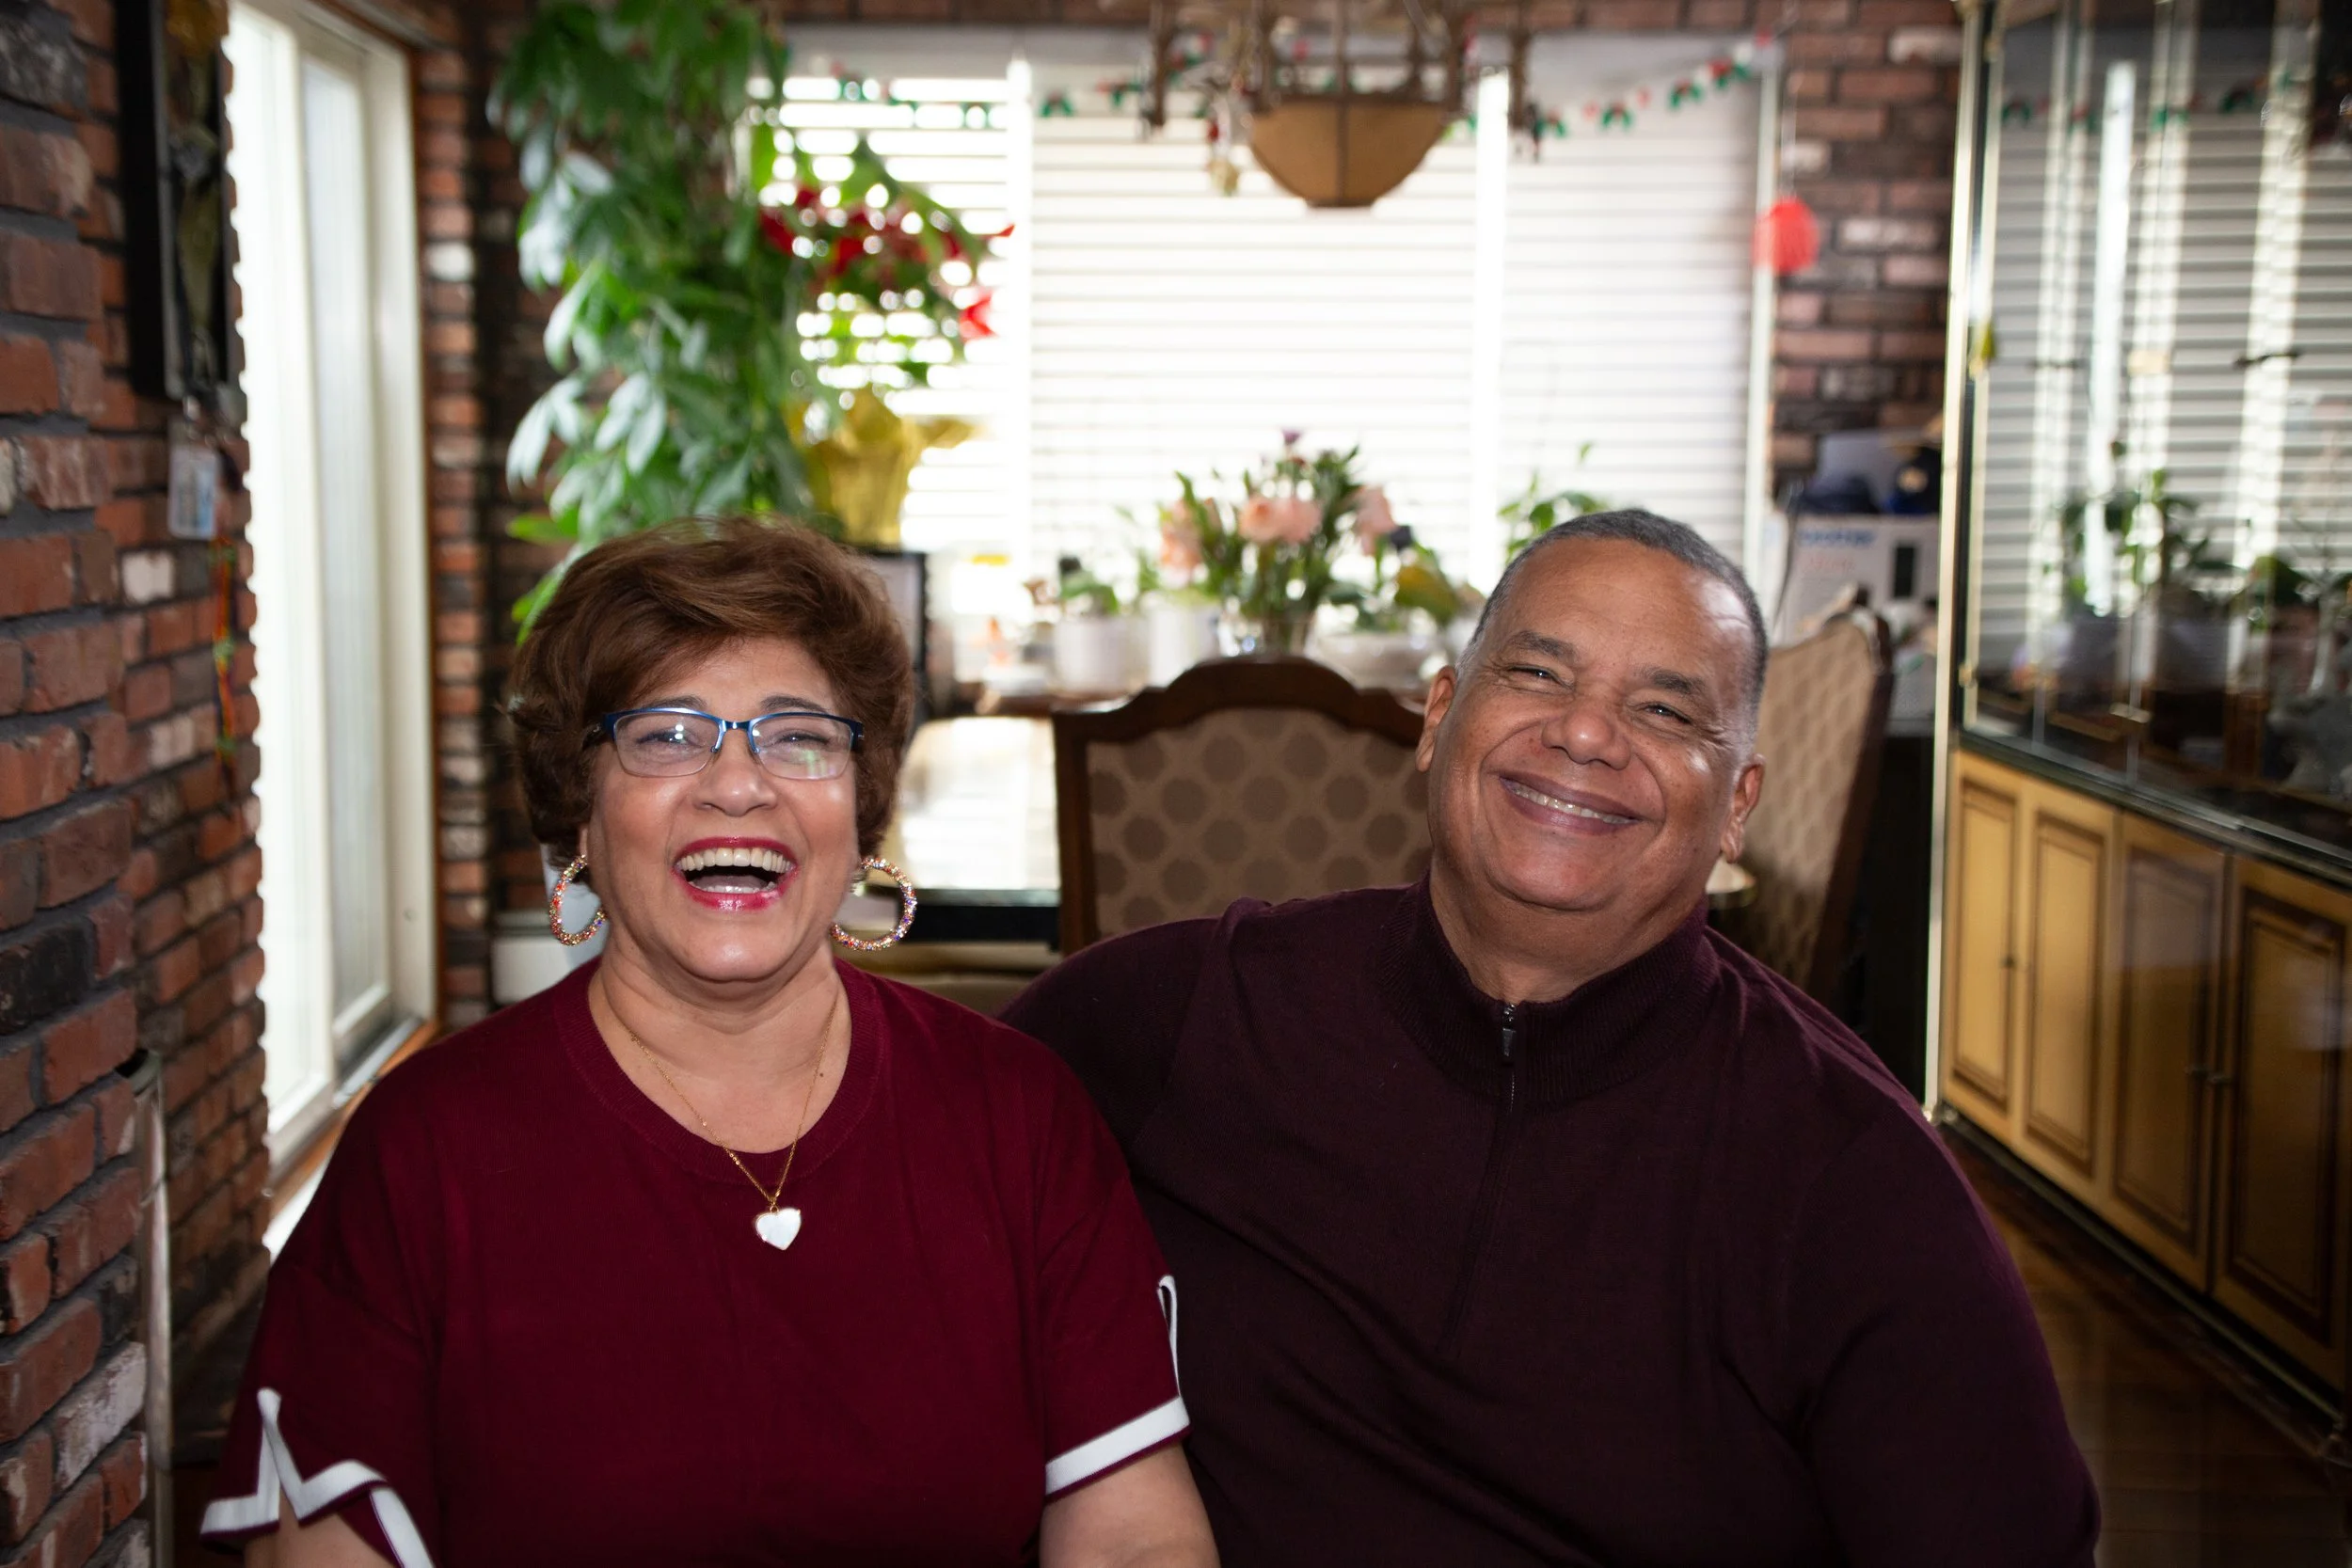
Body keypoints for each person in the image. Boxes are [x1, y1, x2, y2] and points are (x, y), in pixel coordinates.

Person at [1005, 511, 2099, 1566]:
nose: (1584, 732)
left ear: (1736, 805)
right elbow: (894, 1117)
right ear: (1438, 715)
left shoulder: (1853, 1176)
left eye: (1667, 712)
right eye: (1537, 673)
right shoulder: (1185, 1011)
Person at [203, 517, 1216, 1568]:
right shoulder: (426, 1151)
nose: (739, 783)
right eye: (666, 734)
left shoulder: (1020, 1114)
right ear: (581, 818)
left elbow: (1137, 1537)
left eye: (800, 737)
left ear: (860, 816)